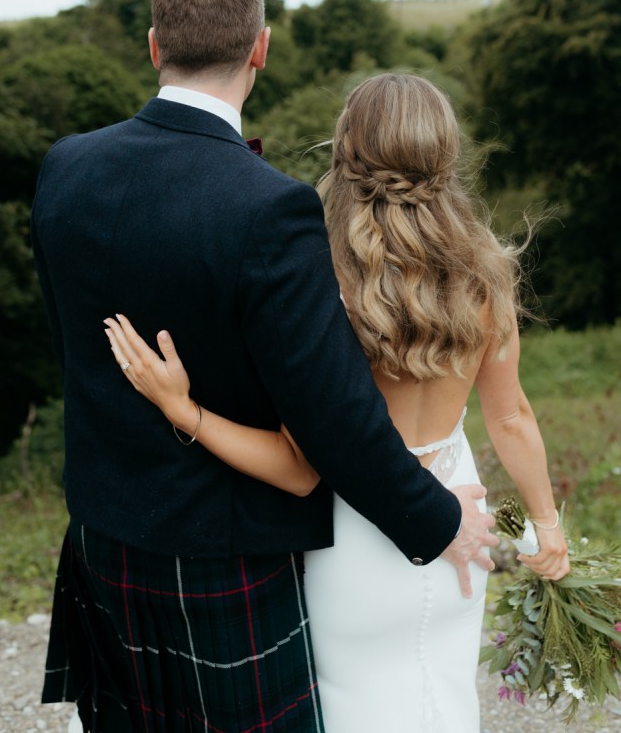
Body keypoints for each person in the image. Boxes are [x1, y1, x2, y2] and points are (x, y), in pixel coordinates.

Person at [32, 0, 497, 733]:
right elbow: (334, 417)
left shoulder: (64, 168)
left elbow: (74, 348)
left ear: (153, 46)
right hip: (224, 554)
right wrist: (437, 518)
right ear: (260, 47)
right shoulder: (270, 208)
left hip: (102, 538)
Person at [104, 72, 569, 733]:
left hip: (353, 539)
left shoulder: (319, 280)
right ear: (444, 152)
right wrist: (546, 528)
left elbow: (300, 465)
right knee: (445, 701)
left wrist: (186, 412)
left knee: (353, 710)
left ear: (344, 150)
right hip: (458, 514)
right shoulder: (484, 270)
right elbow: (509, 415)